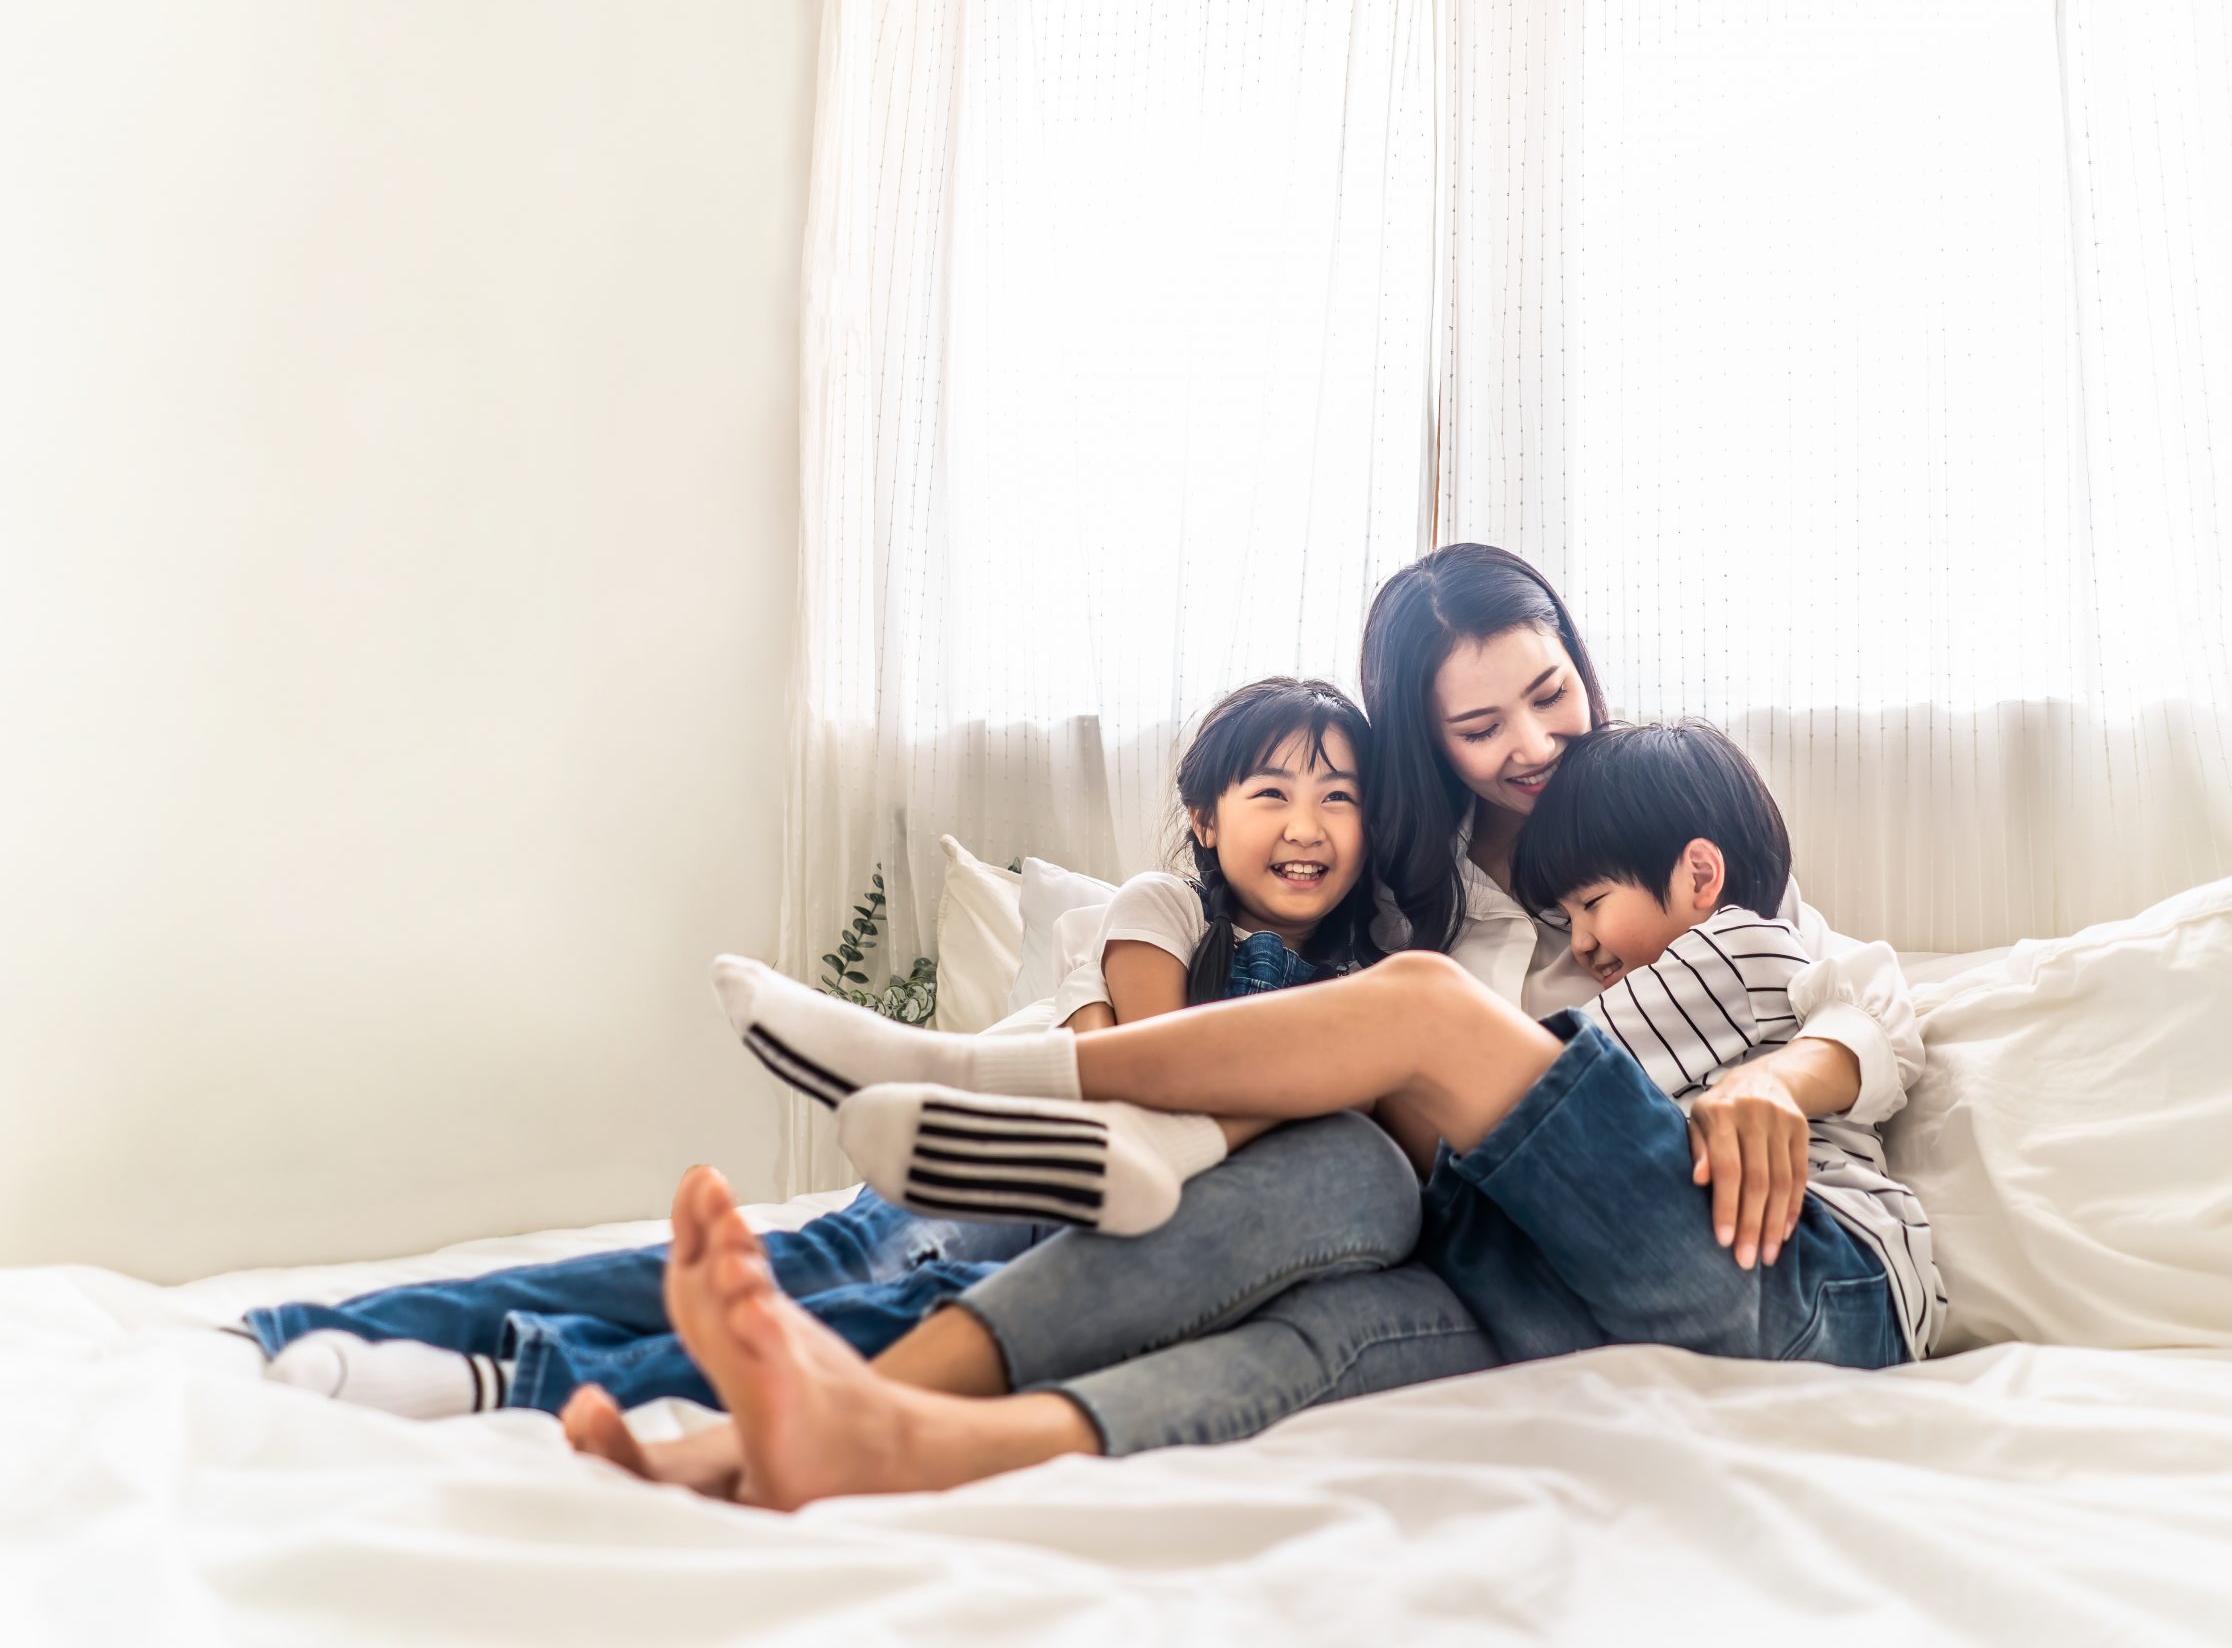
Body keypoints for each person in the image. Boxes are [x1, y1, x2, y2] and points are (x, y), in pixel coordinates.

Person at [572, 546, 1927, 1503]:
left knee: (1418, 1018)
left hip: (1775, 1266)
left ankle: (974, 1069)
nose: (1530, 739)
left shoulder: (1667, 819)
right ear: (1423, 736)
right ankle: (869, 1425)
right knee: (1325, 1244)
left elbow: (1863, 991)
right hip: (1540, 1285)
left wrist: (1780, 1080)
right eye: (1477, 721)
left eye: (1550, 690)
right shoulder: (1413, 898)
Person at [240, 678, 1411, 1419]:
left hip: (1137, 1227)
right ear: (1207, 819)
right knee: (828, 1265)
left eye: (1341, 799)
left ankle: (512, 1377)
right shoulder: (1163, 909)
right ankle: (363, 1323)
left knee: (939, 1313)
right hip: (1016, 1155)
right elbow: (1174, 1059)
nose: (1307, 827)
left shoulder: (1379, 977)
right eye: (1271, 792)